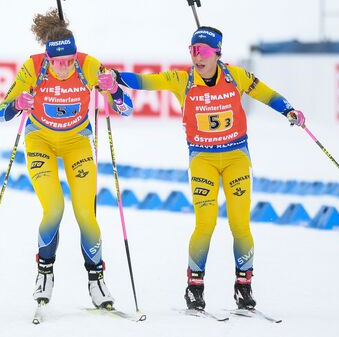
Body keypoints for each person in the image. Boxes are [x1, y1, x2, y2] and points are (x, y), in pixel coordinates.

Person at [102, 26, 305, 311]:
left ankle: (243, 285)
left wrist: (289, 110)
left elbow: (266, 94)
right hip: (203, 160)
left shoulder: (236, 77)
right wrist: (116, 77)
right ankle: (194, 286)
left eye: (203, 51)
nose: (197, 57)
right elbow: (146, 81)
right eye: (193, 51)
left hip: (236, 158)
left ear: (217, 54)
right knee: (205, 223)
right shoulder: (181, 79)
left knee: (240, 225)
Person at [0, 8, 133, 310]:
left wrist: (114, 91)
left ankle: (96, 280)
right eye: (57, 63)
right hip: (40, 141)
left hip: (77, 144)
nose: (63, 68)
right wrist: (18, 103)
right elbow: (1, 113)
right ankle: (44, 273)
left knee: (86, 215)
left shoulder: (88, 66)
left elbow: (126, 108)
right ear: (47, 58)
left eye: (69, 62)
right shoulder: (33, 68)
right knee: (55, 208)